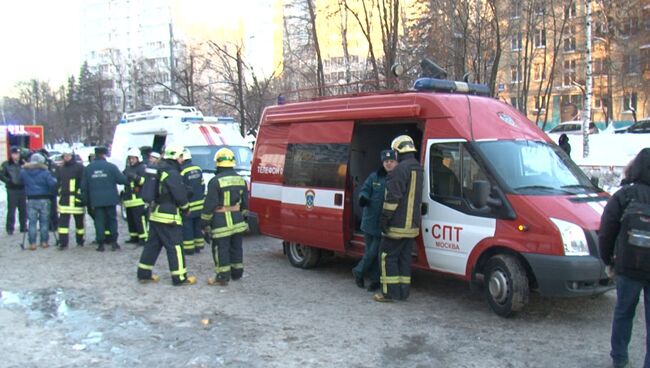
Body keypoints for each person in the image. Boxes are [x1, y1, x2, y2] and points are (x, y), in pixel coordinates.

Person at [599, 148, 650, 368]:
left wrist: (608, 261)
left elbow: (607, 230)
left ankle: (619, 358)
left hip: (628, 266)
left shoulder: (624, 195)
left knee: (624, 312)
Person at [137, 144, 196, 286]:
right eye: (181, 156)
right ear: (176, 157)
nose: (182, 159)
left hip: (155, 214)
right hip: (169, 217)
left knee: (152, 245)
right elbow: (179, 195)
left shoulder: (158, 169)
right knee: (175, 247)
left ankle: (144, 273)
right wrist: (186, 207)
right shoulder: (172, 173)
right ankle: (180, 277)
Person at [374, 135, 424, 303]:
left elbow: (393, 197)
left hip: (397, 224)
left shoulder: (400, 169)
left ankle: (387, 293)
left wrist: (384, 218)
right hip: (412, 226)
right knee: (404, 258)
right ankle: (403, 292)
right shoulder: (418, 167)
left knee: (386, 256)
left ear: (397, 151)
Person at [201, 147, 249, 286]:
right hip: (237, 220)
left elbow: (210, 205)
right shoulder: (241, 180)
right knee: (236, 247)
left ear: (217, 163)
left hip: (221, 221)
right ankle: (237, 273)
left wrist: (203, 223)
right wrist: (244, 218)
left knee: (220, 248)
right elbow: (245, 203)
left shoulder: (215, 181)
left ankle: (222, 276)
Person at [352, 149, 397, 292]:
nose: (388, 164)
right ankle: (375, 280)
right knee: (371, 253)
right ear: (382, 163)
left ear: (396, 162)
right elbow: (365, 190)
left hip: (382, 224)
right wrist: (363, 197)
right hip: (368, 222)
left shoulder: (398, 179)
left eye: (391, 161)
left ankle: (358, 272)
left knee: (373, 253)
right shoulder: (375, 177)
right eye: (386, 162)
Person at [81, 146, 128, 251]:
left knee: (99, 221)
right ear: (104, 154)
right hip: (111, 199)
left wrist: (86, 200)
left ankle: (101, 244)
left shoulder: (88, 168)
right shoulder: (111, 167)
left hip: (96, 200)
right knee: (112, 220)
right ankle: (114, 242)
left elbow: (84, 186)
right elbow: (122, 180)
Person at [20, 153, 57, 250]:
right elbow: (52, 183)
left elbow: (20, 181)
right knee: (44, 221)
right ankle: (44, 242)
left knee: (32, 222)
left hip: (31, 199)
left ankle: (32, 243)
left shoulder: (24, 172)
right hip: (44, 198)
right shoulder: (45, 172)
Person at [55, 148, 85, 249]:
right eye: (65, 156)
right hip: (65, 200)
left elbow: (83, 183)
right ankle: (63, 243)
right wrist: (58, 192)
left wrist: (81, 195)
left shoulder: (80, 167)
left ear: (72, 156)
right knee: (63, 225)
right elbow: (58, 183)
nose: (66, 158)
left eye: (68, 156)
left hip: (77, 200)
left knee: (79, 223)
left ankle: (80, 240)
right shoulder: (61, 169)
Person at [180, 148, 205, 255]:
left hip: (189, 205)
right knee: (197, 226)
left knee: (187, 227)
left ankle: (189, 248)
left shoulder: (181, 171)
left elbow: (180, 189)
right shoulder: (198, 168)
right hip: (200, 204)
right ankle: (199, 246)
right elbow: (203, 185)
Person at [122, 148, 148, 246]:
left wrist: (136, 178)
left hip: (138, 200)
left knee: (140, 220)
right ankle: (133, 237)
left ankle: (143, 238)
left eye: (133, 158)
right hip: (129, 199)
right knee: (131, 220)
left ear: (138, 158)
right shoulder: (128, 168)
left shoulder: (142, 168)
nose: (131, 160)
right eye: (130, 158)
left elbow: (145, 182)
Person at [0, 146, 27, 235]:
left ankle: (23, 227)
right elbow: (1, 175)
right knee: (11, 209)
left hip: (22, 188)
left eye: (18, 154)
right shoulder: (6, 164)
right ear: (11, 154)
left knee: (23, 209)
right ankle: (10, 228)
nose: (16, 156)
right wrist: (9, 181)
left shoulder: (23, 163)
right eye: (14, 154)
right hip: (12, 189)